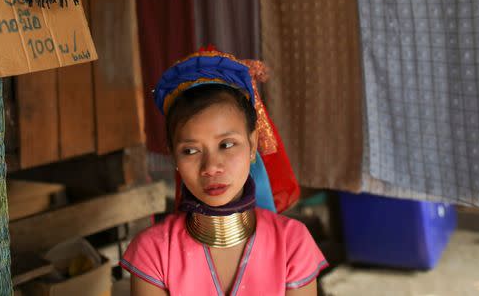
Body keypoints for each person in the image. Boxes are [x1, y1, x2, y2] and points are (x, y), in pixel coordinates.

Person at [120, 50, 327, 295]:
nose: (210, 167)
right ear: (174, 155)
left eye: (226, 145)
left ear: (252, 145)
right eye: (190, 150)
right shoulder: (153, 252)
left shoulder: (292, 243)